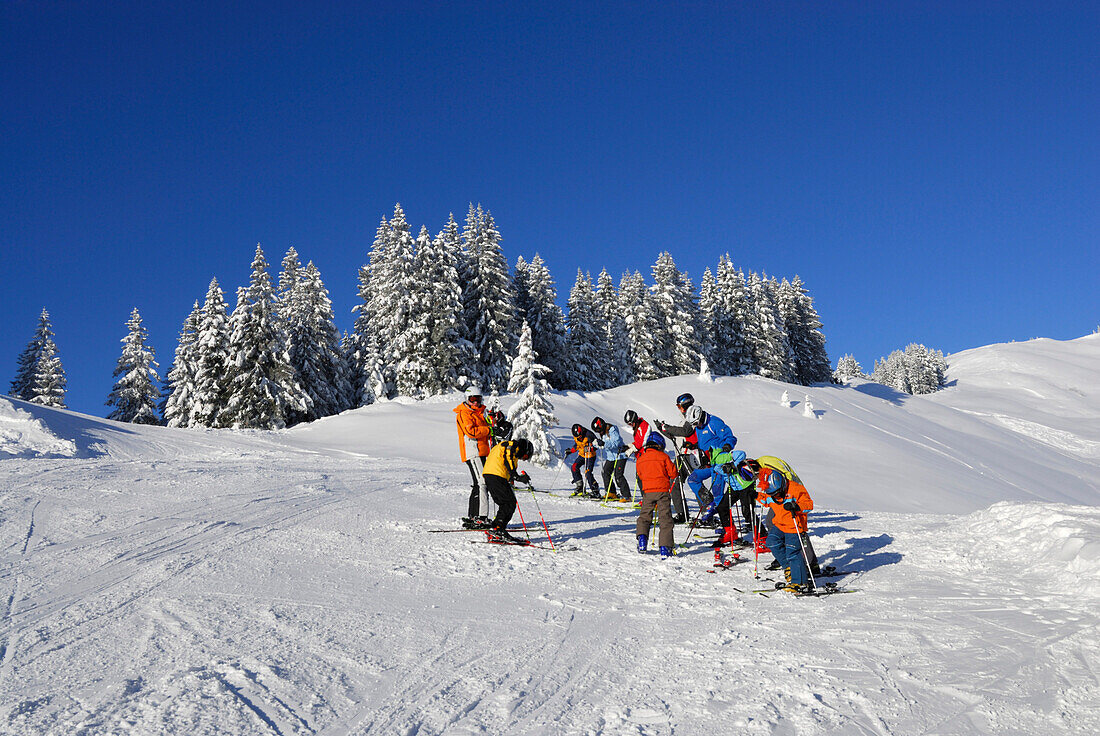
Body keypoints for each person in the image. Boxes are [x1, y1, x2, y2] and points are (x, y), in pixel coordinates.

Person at [757, 465, 815, 592]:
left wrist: (796, 506)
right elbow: (766, 499)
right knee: (771, 542)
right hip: (779, 523)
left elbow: (809, 505)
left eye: (777, 494)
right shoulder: (769, 488)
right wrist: (755, 495)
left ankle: (800, 583)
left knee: (793, 553)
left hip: (795, 526)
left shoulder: (796, 489)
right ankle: (789, 567)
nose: (775, 496)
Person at [680, 405, 739, 527]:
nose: (696, 426)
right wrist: (693, 446)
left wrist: (726, 447)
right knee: (692, 479)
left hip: (719, 464)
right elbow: (705, 442)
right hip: (708, 463)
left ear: (701, 416)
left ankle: (728, 528)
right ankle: (709, 503)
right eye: (694, 425)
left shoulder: (714, 423)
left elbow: (730, 437)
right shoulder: (698, 426)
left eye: (697, 423)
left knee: (719, 496)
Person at [652, 393, 699, 523]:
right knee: (675, 482)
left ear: (685, 405)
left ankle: (707, 511)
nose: (678, 408)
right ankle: (682, 513)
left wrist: (666, 427)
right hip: (680, 455)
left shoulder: (693, 416)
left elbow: (685, 432)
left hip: (689, 454)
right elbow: (676, 436)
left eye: (679, 406)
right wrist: (662, 429)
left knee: (695, 482)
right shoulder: (683, 419)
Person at [482, 437, 535, 543]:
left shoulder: (508, 447)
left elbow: (507, 465)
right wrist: (516, 476)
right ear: (525, 450)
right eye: (525, 456)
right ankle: (498, 529)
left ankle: (496, 527)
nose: (523, 459)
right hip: (496, 475)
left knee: (506, 503)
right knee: (509, 503)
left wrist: (514, 478)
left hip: (492, 475)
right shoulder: (512, 446)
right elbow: (508, 459)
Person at [634, 433, 677, 559]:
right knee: (665, 519)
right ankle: (665, 547)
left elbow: (640, 475)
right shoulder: (664, 457)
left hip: (648, 492)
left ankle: (642, 541)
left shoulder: (641, 458)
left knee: (644, 517)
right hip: (663, 491)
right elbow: (673, 473)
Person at [455, 386, 492, 529]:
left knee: (478, 484)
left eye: (478, 399)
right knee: (483, 483)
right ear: (467, 400)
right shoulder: (465, 413)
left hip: (483, 452)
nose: (476, 402)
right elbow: (471, 431)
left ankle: (474, 515)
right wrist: (489, 430)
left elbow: (488, 427)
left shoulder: (480, 412)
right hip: (474, 452)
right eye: (473, 399)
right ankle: (481, 517)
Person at [591, 416, 633, 501]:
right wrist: (596, 444)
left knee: (618, 475)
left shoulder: (612, 429)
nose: (599, 432)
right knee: (605, 472)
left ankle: (627, 496)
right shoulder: (603, 434)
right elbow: (602, 445)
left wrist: (604, 443)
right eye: (597, 431)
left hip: (620, 455)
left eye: (599, 430)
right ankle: (611, 492)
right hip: (611, 457)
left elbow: (615, 443)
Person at [565, 423, 600, 497]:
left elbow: (597, 446)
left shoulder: (589, 435)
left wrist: (588, 448)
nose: (579, 438)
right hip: (581, 455)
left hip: (590, 456)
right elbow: (577, 445)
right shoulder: (576, 436)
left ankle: (595, 490)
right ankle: (580, 487)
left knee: (587, 473)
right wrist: (570, 451)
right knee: (574, 467)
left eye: (580, 436)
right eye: (577, 437)